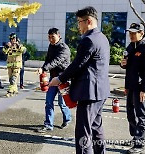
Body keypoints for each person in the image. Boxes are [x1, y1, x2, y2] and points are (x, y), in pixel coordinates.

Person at [49, 6, 110, 154]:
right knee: (96, 128)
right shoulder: (102, 37)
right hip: (100, 91)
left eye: (79, 22)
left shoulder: (88, 40)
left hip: (89, 93)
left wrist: (59, 78)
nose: (78, 26)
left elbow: (77, 64)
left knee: (83, 133)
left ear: (88, 21)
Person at [120, 23, 145, 154]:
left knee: (141, 115)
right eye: (130, 33)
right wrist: (123, 65)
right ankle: (134, 137)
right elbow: (129, 69)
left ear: (141, 33)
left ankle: (139, 144)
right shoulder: (130, 47)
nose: (131, 35)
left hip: (141, 87)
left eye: (134, 33)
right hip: (131, 86)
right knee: (130, 114)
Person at [37, 28, 71, 133]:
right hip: (53, 78)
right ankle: (48, 124)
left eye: (53, 37)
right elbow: (48, 59)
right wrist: (43, 69)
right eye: (49, 37)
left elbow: (56, 61)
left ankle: (67, 119)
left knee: (63, 103)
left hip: (63, 79)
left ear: (59, 36)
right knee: (49, 101)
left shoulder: (64, 48)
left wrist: (45, 68)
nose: (51, 39)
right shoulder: (51, 46)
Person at [3, 32, 26, 96]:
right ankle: (15, 90)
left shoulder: (19, 46)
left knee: (13, 78)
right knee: (11, 79)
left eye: (14, 39)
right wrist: (7, 46)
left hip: (17, 66)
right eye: (11, 39)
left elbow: (24, 51)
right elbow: (4, 52)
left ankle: (10, 91)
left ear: (16, 39)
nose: (12, 40)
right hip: (10, 66)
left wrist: (18, 45)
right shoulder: (9, 46)